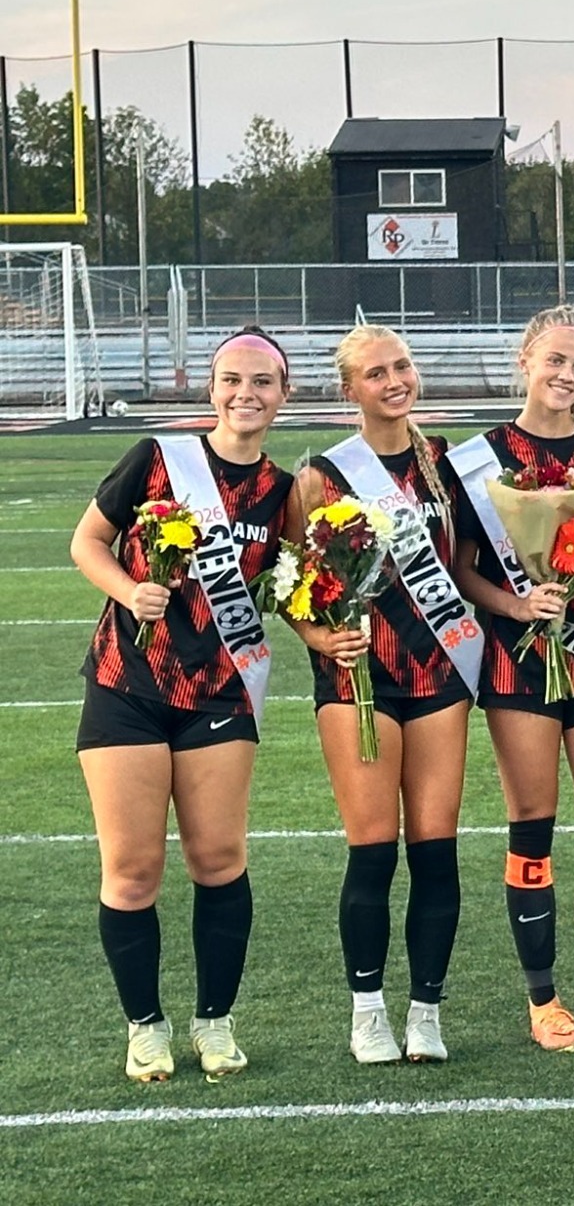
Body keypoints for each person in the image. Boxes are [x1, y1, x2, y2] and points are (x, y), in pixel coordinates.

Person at [70, 328, 293, 1082]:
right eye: (233, 379)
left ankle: (215, 1022)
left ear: (283, 395)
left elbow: (297, 587)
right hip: (126, 688)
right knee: (131, 870)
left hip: (220, 695)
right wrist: (130, 589)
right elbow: (87, 544)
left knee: (219, 859)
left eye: (262, 382)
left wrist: (332, 634)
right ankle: (145, 1026)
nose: (246, 394)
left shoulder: (284, 491)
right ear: (212, 387)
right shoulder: (157, 458)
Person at [448, 305, 574, 1053]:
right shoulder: (483, 455)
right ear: (525, 359)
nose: (566, 376)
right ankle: (543, 1001)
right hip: (518, 661)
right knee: (533, 831)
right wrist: (518, 602)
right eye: (555, 360)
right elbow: (464, 567)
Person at [288, 326, 472, 1064]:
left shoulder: (444, 466)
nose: (394, 380)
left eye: (401, 366)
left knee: (436, 851)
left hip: (438, 675)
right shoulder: (320, 477)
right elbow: (288, 585)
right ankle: (368, 1010)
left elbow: (460, 568)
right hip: (356, 680)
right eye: (375, 373)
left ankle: (425, 1009)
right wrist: (319, 638)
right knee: (372, 851)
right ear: (349, 390)